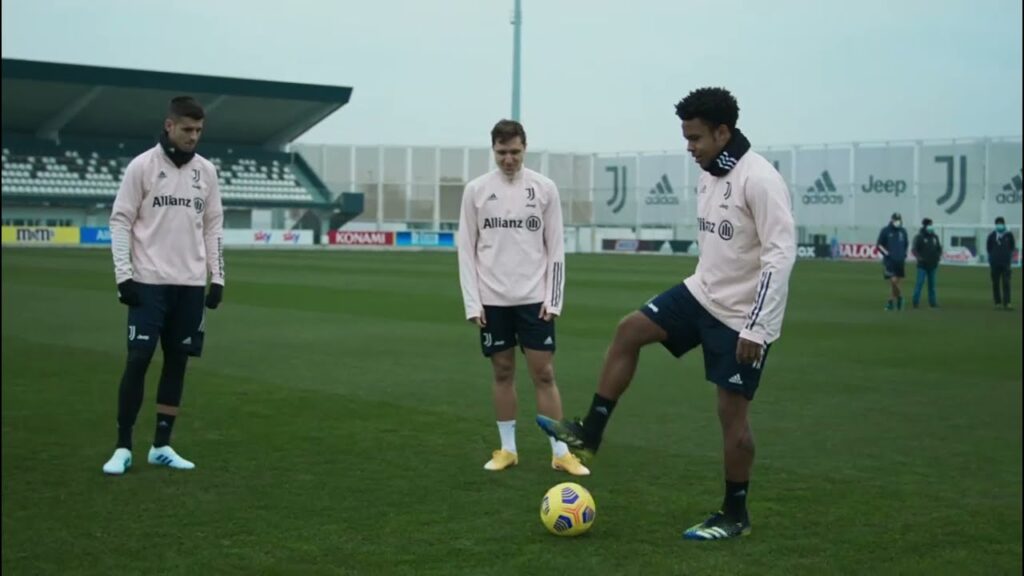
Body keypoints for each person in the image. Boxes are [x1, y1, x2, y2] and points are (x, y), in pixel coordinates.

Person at [536, 87, 797, 540]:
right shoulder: (709, 173)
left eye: (696, 138)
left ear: (722, 131)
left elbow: (780, 256)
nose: (689, 148)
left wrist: (757, 327)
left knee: (731, 417)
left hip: (741, 317)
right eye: (686, 138)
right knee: (630, 330)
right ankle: (591, 433)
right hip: (701, 293)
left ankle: (735, 514)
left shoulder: (761, 180)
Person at [456, 119, 589, 477]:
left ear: (525, 148)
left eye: (515, 152)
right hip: (492, 299)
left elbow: (556, 247)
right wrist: (473, 302)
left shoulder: (544, 189)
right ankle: (508, 449)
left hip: (535, 299)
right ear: (493, 151)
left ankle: (560, 452)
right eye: (502, 152)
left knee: (544, 374)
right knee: (502, 371)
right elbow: (465, 249)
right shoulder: (476, 191)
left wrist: (554, 298)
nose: (509, 159)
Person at [101, 96, 225, 475]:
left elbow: (213, 226)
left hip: (188, 285)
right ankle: (123, 447)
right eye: (187, 129)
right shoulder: (142, 166)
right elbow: (120, 221)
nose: (194, 137)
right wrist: (123, 275)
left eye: (199, 131)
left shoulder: (206, 172)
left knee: (177, 363)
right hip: (148, 282)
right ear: (169, 126)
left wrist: (217, 277)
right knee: (138, 360)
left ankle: (162, 445)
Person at [877, 212, 909, 310]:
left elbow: (906, 244)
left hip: (900, 260)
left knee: (896, 283)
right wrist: (887, 253)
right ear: (891, 220)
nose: (897, 222)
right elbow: (879, 245)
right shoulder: (885, 231)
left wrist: (903, 254)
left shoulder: (903, 231)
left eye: (898, 220)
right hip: (889, 261)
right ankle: (900, 297)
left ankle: (891, 302)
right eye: (895, 220)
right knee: (893, 281)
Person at [911, 217, 942, 308]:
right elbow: (914, 250)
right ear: (925, 226)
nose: (931, 227)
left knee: (932, 285)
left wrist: (938, 256)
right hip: (922, 265)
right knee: (919, 283)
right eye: (930, 225)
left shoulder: (935, 237)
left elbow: (939, 248)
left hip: (933, 265)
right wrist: (919, 258)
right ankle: (915, 302)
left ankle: (933, 303)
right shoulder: (919, 237)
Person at [987, 216, 1016, 310]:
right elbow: (989, 248)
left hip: (1006, 263)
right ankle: (997, 303)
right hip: (995, 263)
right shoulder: (991, 236)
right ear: (996, 225)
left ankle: (1007, 303)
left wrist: (1007, 255)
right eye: (998, 223)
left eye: (1001, 223)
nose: (999, 225)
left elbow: (1012, 246)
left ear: (1004, 224)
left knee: (1006, 283)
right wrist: (992, 257)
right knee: (995, 283)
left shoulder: (1009, 235)